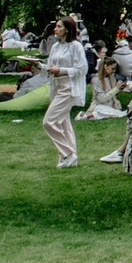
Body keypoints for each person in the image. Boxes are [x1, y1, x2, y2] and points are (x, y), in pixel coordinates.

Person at [40, 18, 80, 169]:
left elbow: (81, 70)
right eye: (55, 27)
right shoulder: (56, 46)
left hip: (68, 87)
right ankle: (70, 159)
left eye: (59, 27)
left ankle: (68, 153)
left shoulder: (75, 47)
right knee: (64, 122)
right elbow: (50, 67)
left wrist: (61, 71)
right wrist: (38, 65)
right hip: (56, 86)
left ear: (67, 29)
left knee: (48, 122)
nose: (55, 29)